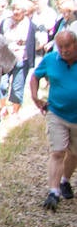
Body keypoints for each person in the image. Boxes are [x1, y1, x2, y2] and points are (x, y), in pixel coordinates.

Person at [29, 30, 77, 211]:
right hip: (56, 112)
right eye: (60, 47)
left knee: (74, 153)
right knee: (57, 152)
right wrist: (34, 96)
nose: (64, 50)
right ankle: (53, 191)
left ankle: (65, 180)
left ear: (75, 44)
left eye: (68, 46)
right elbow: (35, 76)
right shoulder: (50, 59)